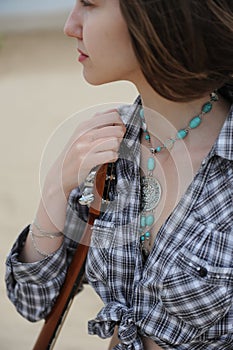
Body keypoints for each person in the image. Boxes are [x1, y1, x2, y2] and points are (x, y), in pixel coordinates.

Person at [5, 0, 233, 349]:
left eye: (89, 4)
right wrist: (56, 187)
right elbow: (34, 301)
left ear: (156, 15)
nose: (69, 25)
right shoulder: (109, 149)